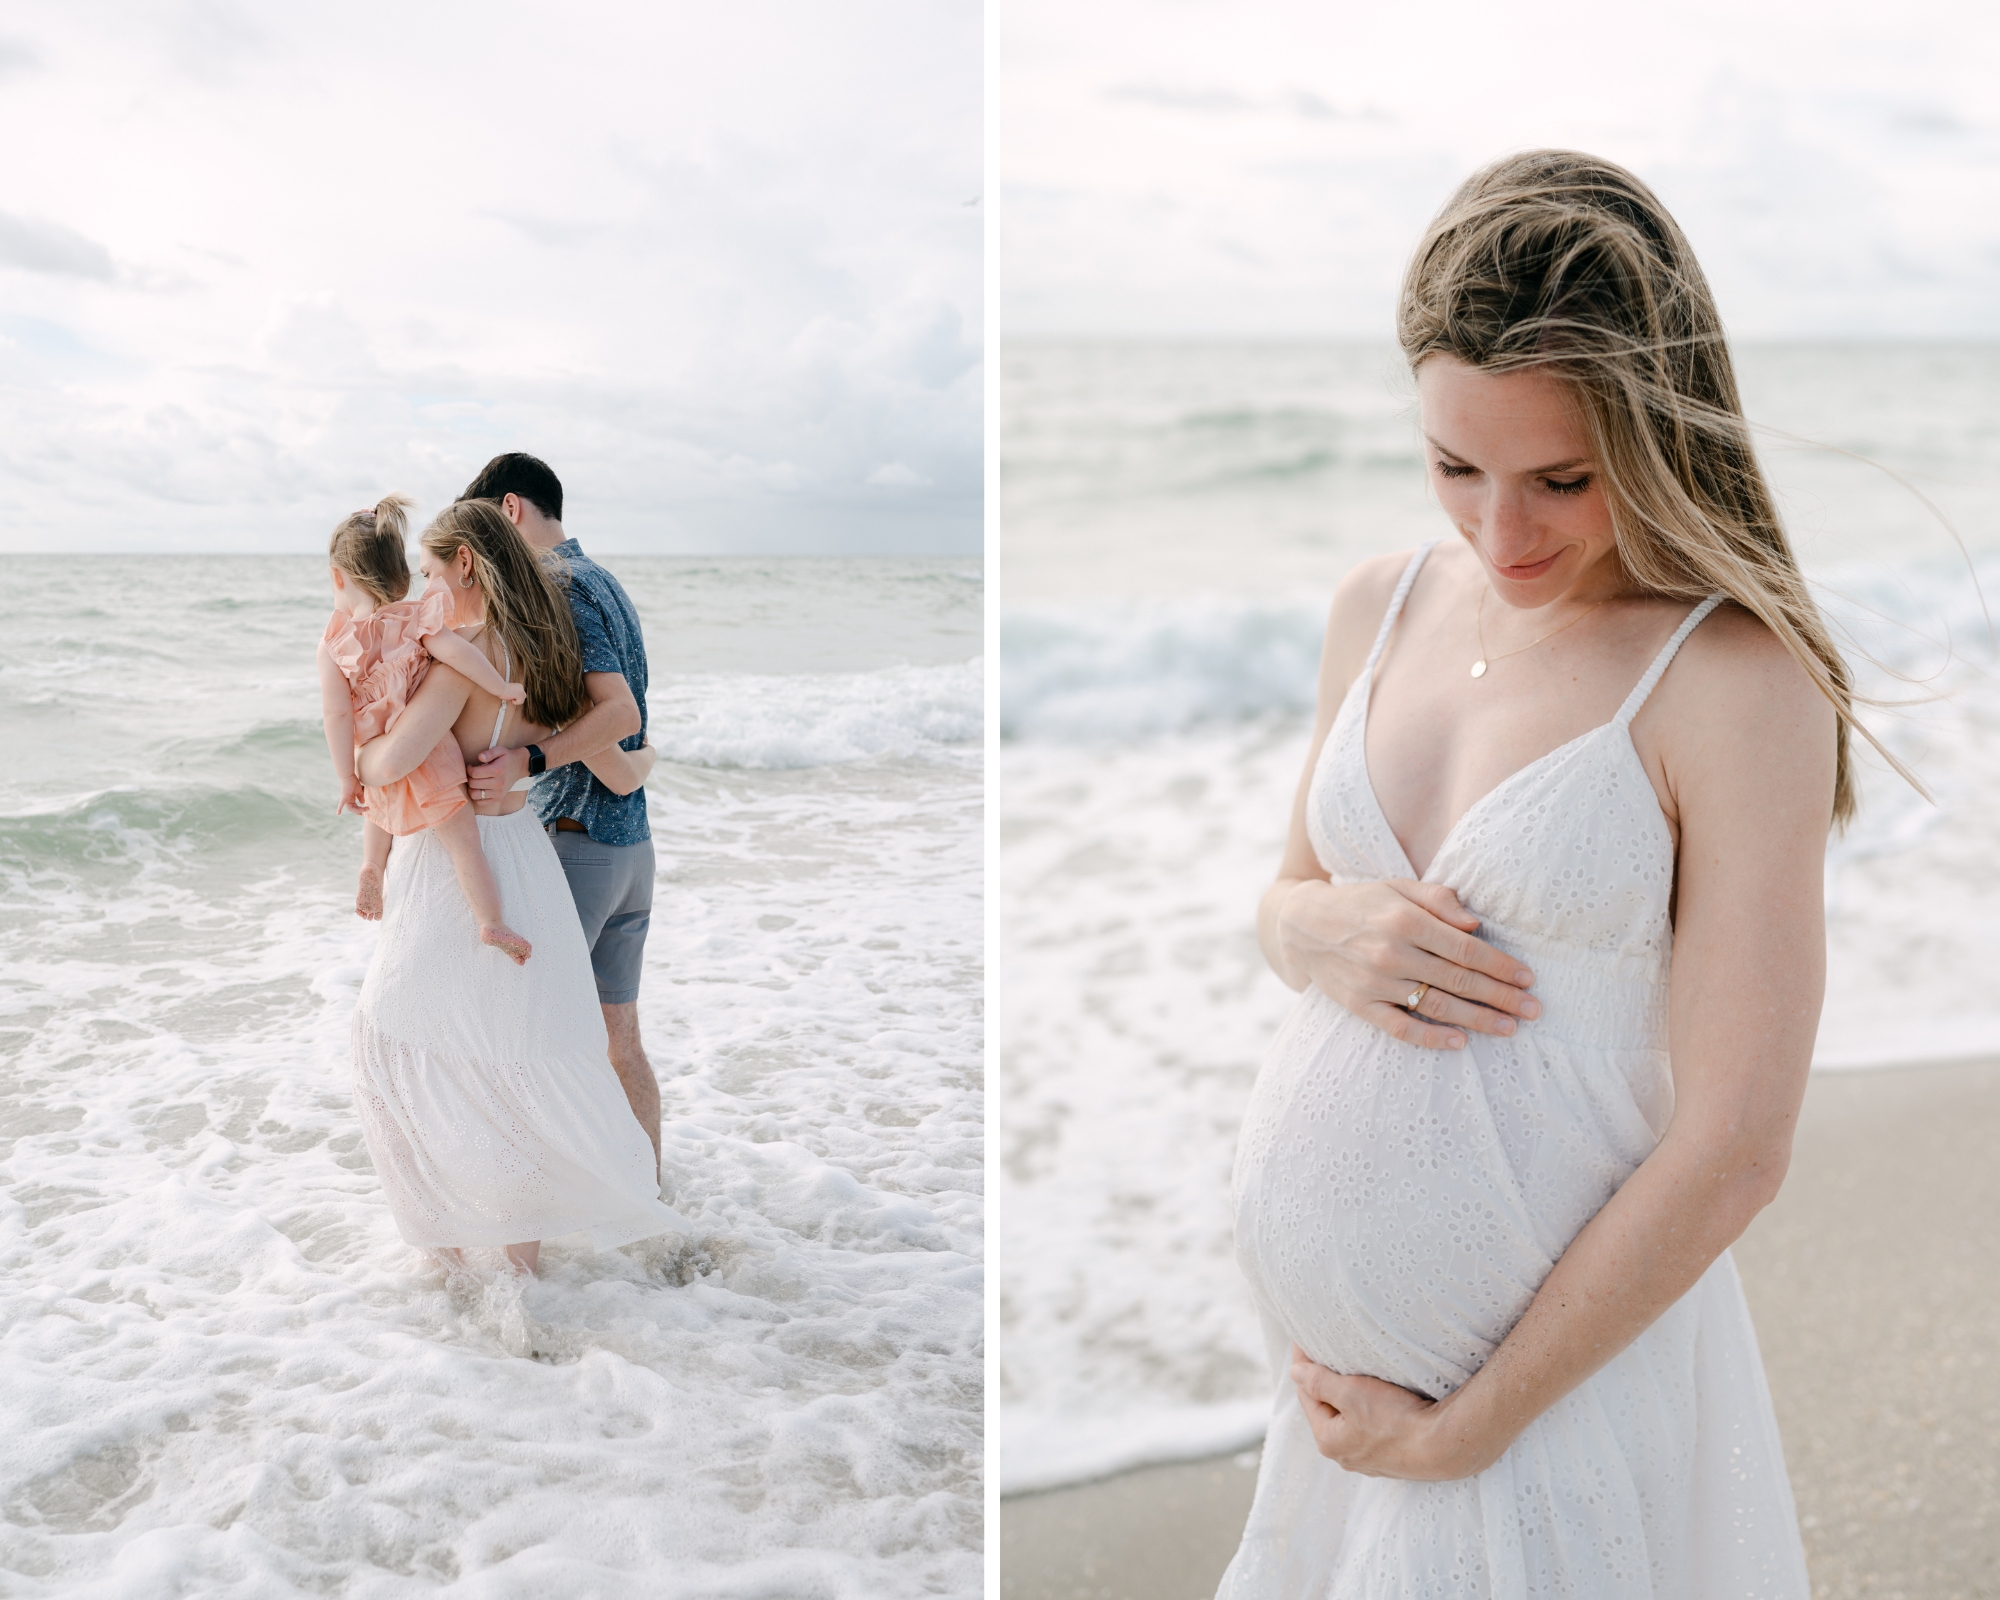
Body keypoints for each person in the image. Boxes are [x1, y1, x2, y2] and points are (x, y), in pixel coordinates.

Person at [1218, 152, 1875, 1596]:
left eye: (1562, 480)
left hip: (1539, 1416)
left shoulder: (1735, 679)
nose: (1501, 533)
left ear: (1655, 437)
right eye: (1456, 467)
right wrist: (1316, 927)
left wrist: (1468, 1429)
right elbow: (1282, 902)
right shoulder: (1375, 605)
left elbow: (1738, 1144)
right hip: (1340, 1411)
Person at [349, 499, 686, 1274]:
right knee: (511, 1055)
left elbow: (396, 764)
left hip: (449, 871)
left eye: (432, 572)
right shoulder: (546, 661)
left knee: (388, 1041)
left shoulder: (455, 659)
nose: (427, 588)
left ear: (464, 564)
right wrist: (636, 764)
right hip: (524, 855)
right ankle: (521, 1259)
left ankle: (447, 1252)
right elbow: (616, 734)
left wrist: (356, 755)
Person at [456, 454, 666, 1178]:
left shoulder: (556, 586)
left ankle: (530, 1224)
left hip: (576, 845)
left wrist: (531, 761)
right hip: (629, 848)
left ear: (510, 510)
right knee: (620, 1041)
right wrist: (635, 765)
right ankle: (649, 1203)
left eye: (483, 534)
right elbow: (626, 728)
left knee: (526, 1042)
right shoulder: (603, 579)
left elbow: (617, 713)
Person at [315, 492, 533, 962]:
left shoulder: (333, 644)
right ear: (401, 572)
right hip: (429, 753)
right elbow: (459, 654)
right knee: (463, 844)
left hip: (378, 750)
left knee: (376, 813)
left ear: (338, 577)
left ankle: (373, 865)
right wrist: (500, 685)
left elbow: (335, 717)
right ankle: (490, 922)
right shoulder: (416, 618)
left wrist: (347, 779)